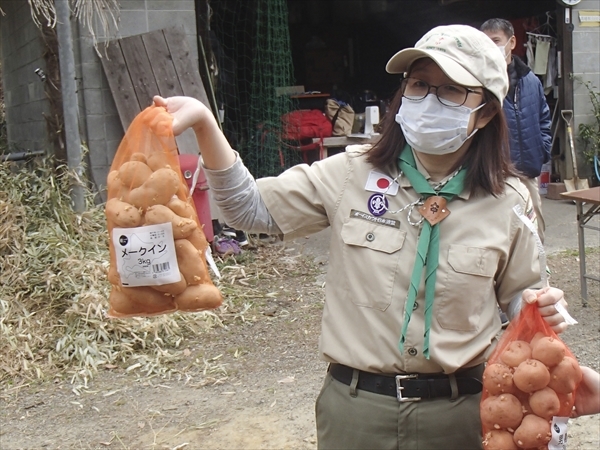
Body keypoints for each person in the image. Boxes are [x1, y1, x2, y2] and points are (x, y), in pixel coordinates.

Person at [153, 24, 570, 450]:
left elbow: (521, 299)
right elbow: (248, 208)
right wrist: (205, 125)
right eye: (419, 85)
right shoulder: (352, 172)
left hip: (461, 413)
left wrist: (539, 308)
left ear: (484, 112)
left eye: (451, 91)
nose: (429, 101)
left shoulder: (510, 201)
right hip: (357, 412)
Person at [481, 18, 552, 244]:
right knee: (499, 231)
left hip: (528, 170)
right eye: (486, 42)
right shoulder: (480, 83)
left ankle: (540, 276)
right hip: (495, 172)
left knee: (535, 230)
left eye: (496, 40)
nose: (492, 47)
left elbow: (543, 117)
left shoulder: (530, 80)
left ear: (511, 42)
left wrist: (543, 150)